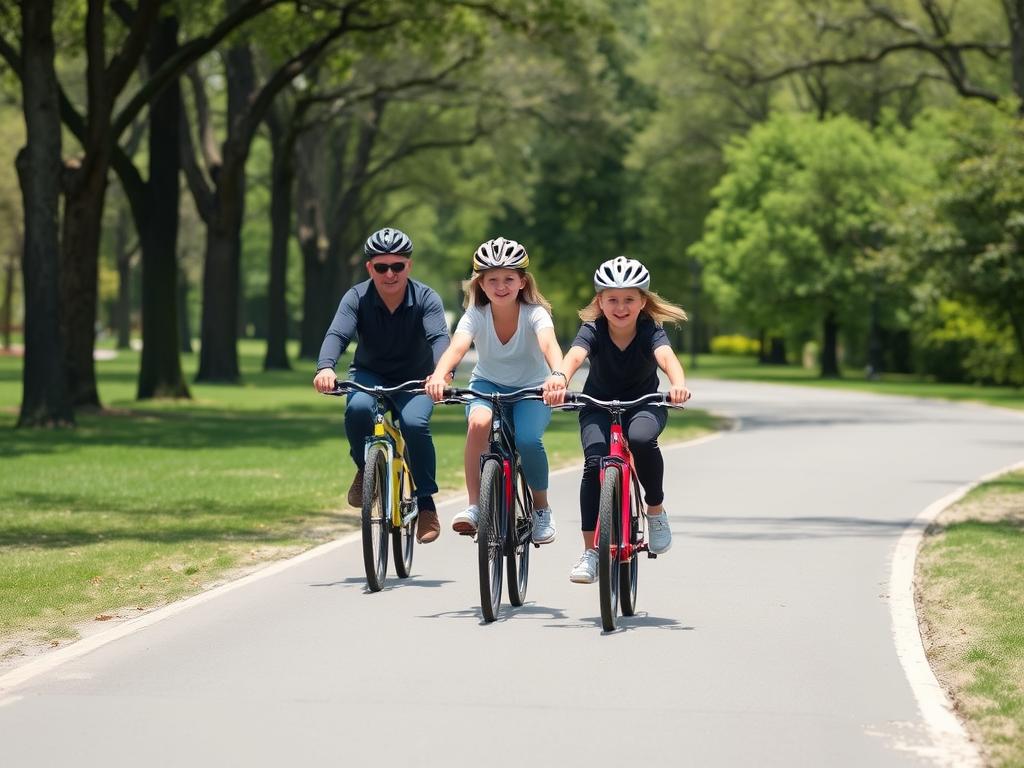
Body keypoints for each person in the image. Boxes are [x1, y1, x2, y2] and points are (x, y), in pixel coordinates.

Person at [544, 256, 691, 583]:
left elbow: (667, 358)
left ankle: (655, 511)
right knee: (594, 461)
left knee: (640, 440)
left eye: (629, 299)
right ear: (600, 301)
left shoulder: (650, 329)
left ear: (642, 301)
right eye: (612, 299)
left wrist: (678, 385)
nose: (620, 307)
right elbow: (574, 357)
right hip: (597, 405)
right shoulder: (592, 329)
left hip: (644, 404)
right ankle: (590, 552)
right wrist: (558, 379)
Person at [313, 227, 451, 543]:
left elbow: (439, 338)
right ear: (369, 268)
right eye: (381, 267)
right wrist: (325, 368)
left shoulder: (426, 298)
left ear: (409, 266)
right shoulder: (356, 297)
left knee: (415, 424)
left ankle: (427, 504)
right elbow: (337, 335)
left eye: (397, 266)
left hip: (417, 379)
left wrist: (441, 374)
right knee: (358, 409)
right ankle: (365, 469)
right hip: (369, 374)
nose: (390, 274)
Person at [424, 237, 566, 544]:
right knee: (478, 424)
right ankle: (475, 506)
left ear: (521, 282)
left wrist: (558, 375)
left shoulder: (535, 313)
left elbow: (549, 344)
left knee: (528, 440)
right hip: (486, 384)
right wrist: (439, 374)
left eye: (508, 279)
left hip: (533, 389)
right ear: (481, 284)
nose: (500, 286)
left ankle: (541, 509)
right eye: (492, 280)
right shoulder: (476, 314)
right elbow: (458, 347)